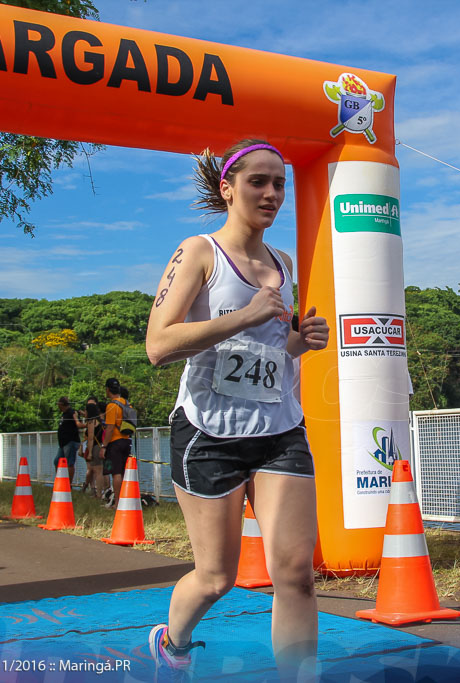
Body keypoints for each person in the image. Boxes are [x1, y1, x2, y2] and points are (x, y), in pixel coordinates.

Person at [144, 138, 329, 681]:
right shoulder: (199, 252)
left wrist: (301, 341)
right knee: (216, 577)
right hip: (209, 431)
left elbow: (272, 352)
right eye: (258, 182)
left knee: (295, 572)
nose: (272, 193)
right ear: (228, 188)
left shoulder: (283, 262)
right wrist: (244, 316)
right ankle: (172, 641)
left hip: (279, 427)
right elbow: (158, 345)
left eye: (280, 184)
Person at [102, 379, 137, 508]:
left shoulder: (111, 406)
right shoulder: (127, 404)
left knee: (116, 473)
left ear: (108, 390)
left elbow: (110, 428)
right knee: (123, 472)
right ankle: (125, 499)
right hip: (127, 440)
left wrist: (104, 446)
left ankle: (117, 502)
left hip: (115, 442)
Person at [55, 397, 84, 485]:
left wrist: (87, 424)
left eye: (59, 405)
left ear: (62, 405)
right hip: (63, 444)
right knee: (57, 461)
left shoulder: (71, 413)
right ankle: (60, 483)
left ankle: (68, 484)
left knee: (69, 463)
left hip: (70, 442)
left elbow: (78, 423)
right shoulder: (64, 414)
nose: (58, 407)